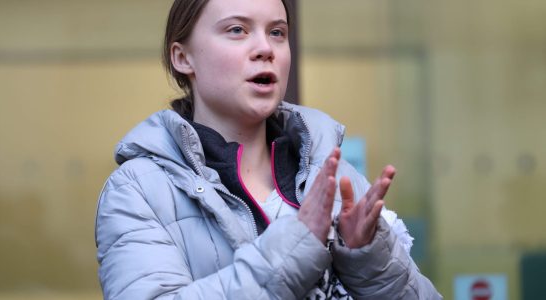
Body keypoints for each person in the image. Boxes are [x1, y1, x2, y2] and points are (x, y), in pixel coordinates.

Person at [95, 0, 442, 299]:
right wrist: (295, 248)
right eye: (236, 30)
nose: (266, 48)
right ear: (183, 57)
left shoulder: (333, 175)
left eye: (277, 32)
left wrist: (369, 258)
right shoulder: (137, 190)